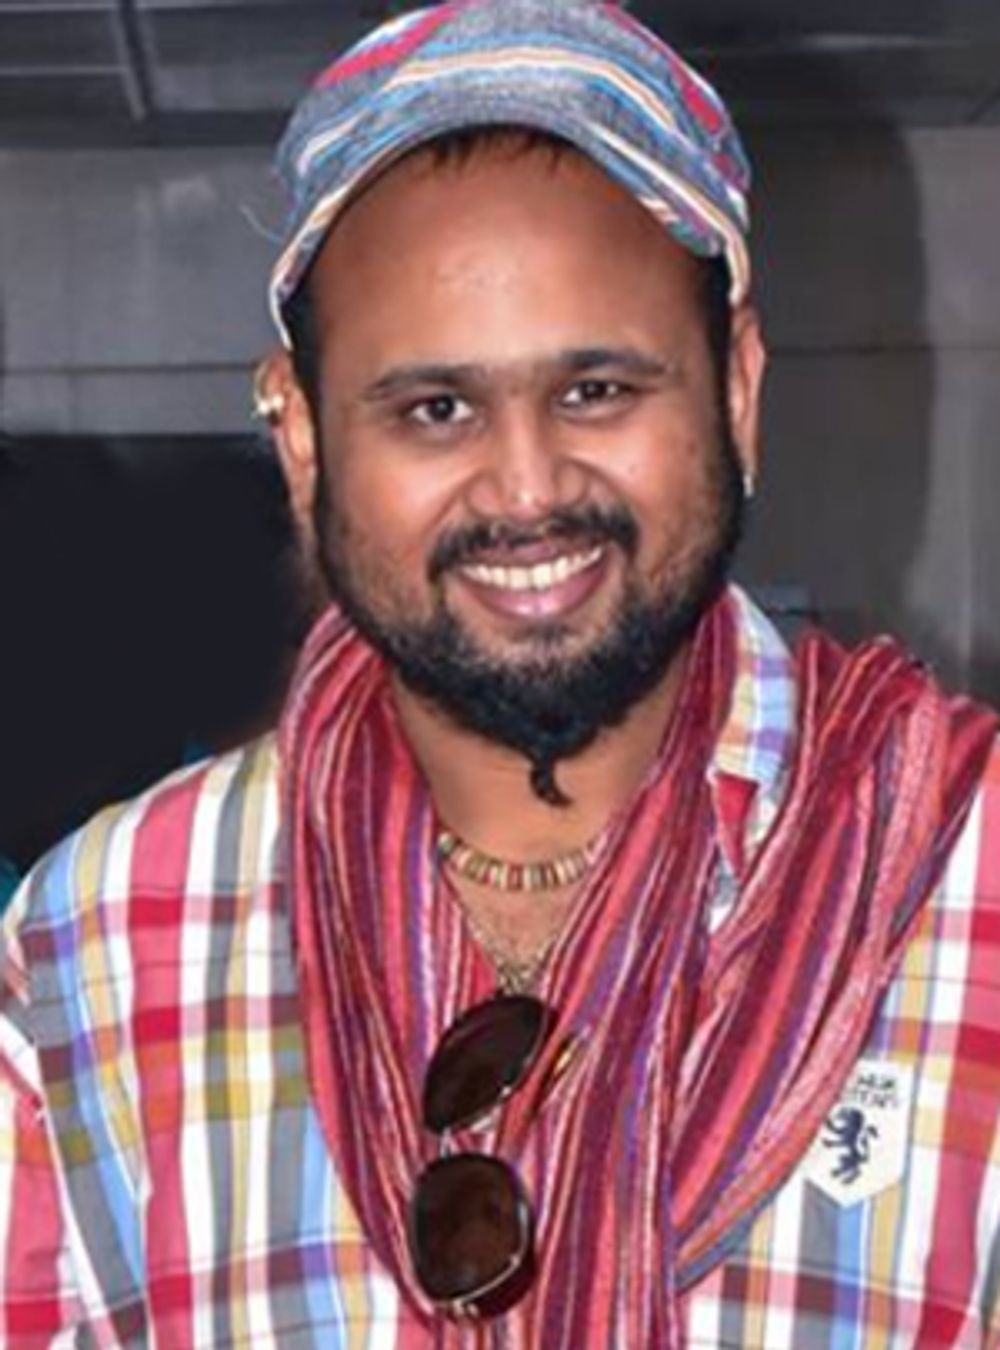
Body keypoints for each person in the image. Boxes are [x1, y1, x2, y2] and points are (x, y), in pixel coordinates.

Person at [2, 3, 998, 1346]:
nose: (527, 489)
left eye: (597, 391)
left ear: (737, 391)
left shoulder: (972, 877)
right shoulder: (95, 951)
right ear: (302, 443)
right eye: (436, 409)